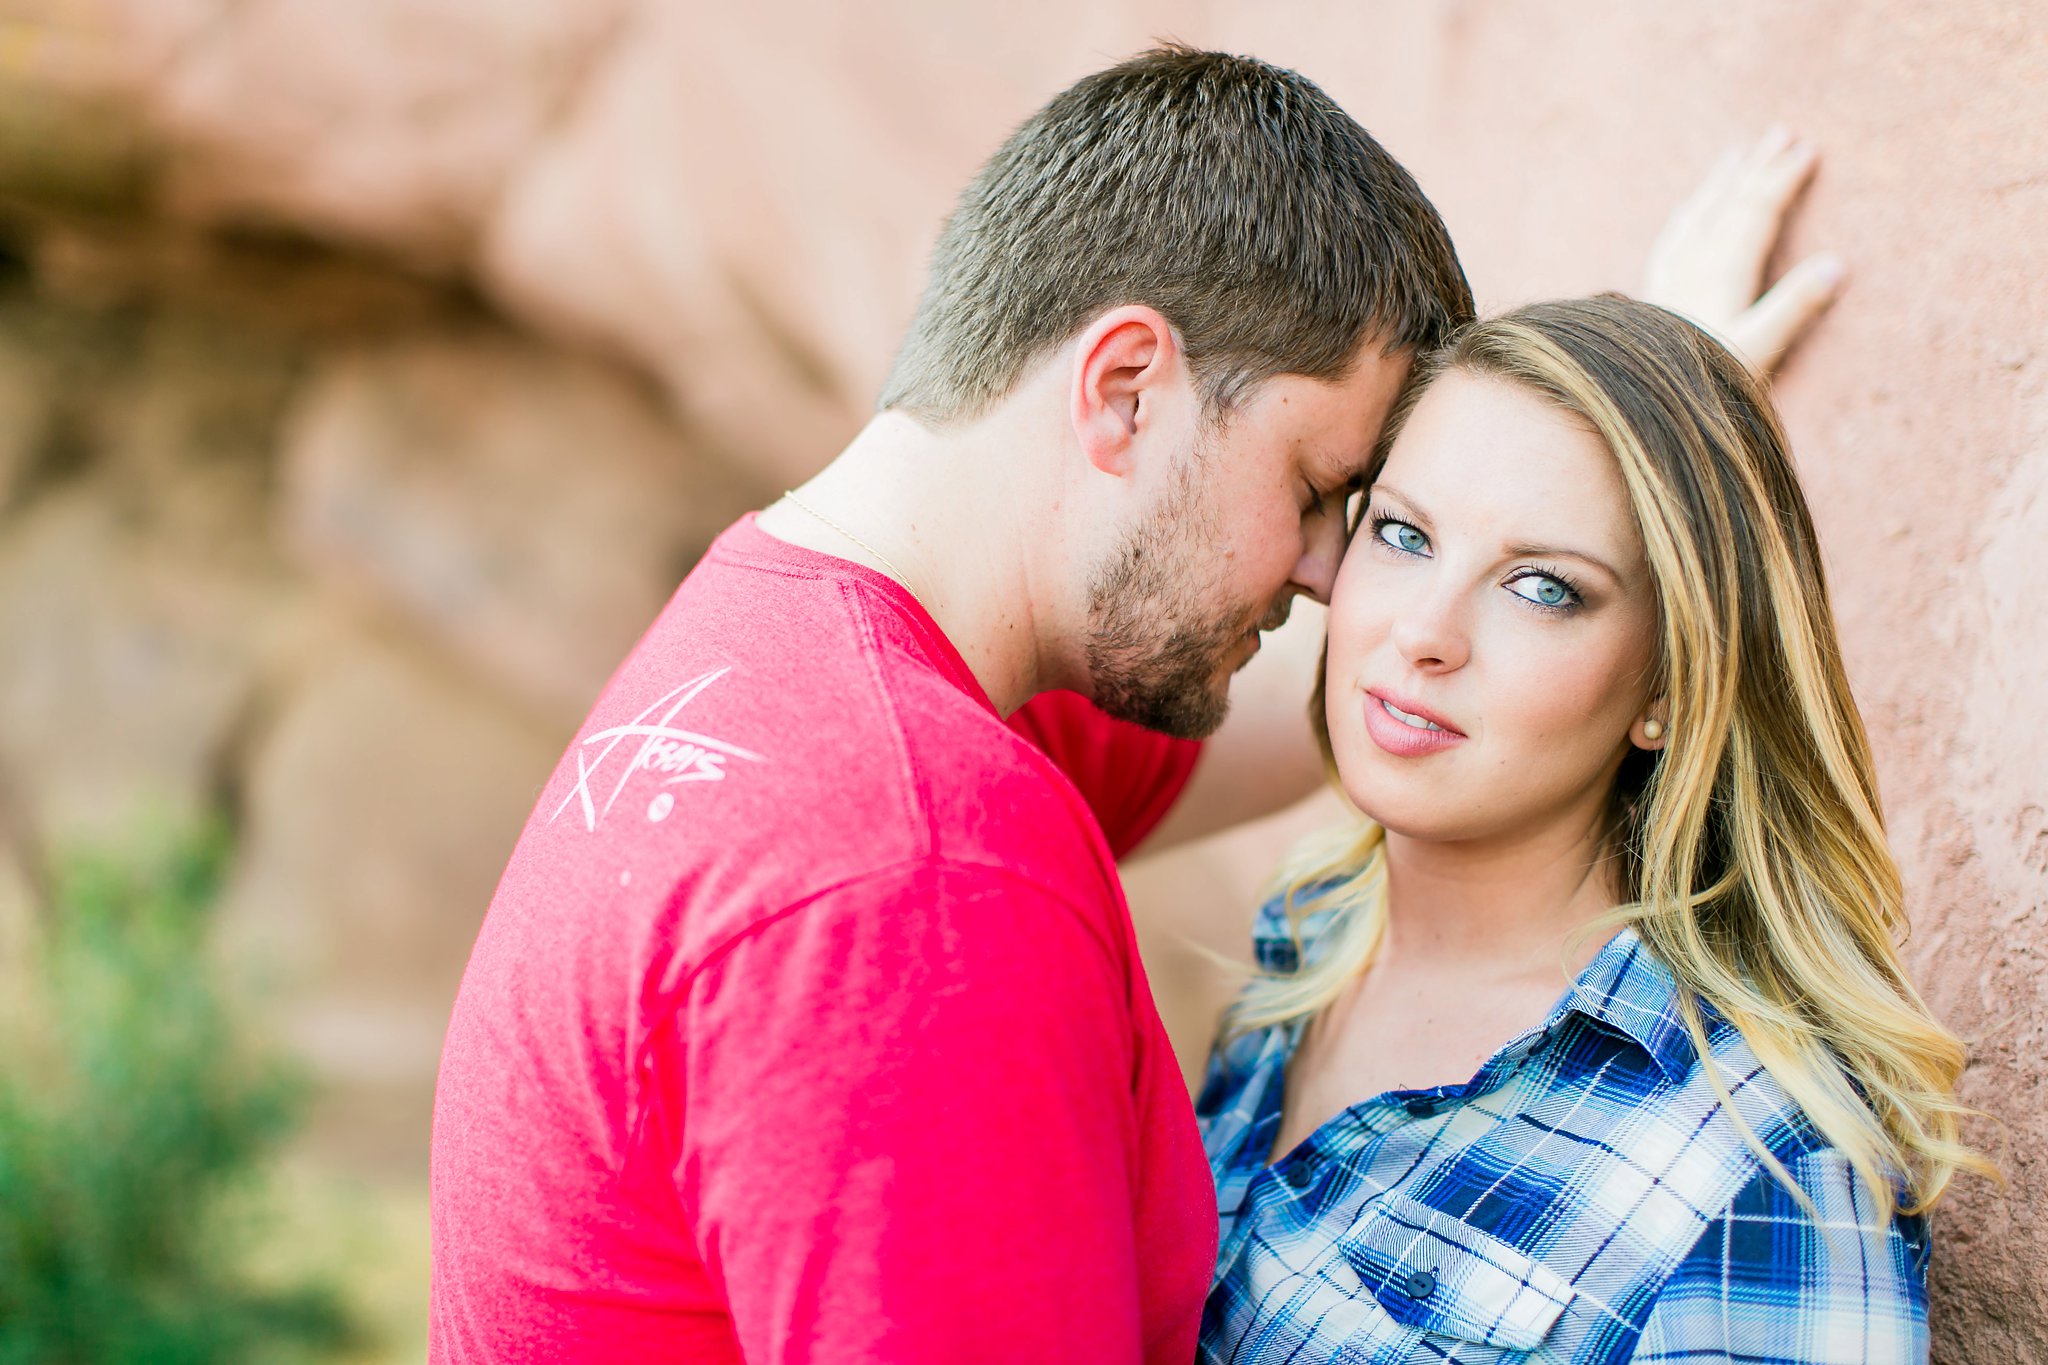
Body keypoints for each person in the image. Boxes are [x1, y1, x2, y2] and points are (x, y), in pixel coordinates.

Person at [428, 41, 1838, 1364]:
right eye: (1311, 493)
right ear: (1124, 391)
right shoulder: (920, 877)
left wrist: (1626, 460)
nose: (1324, 579)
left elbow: (1354, 705)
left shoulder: (787, 652)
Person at [1195, 296, 1995, 1364]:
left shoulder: (1762, 1166)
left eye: (1541, 588)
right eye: (1401, 533)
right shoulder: (1309, 935)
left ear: (1667, 685)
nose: (1423, 633)